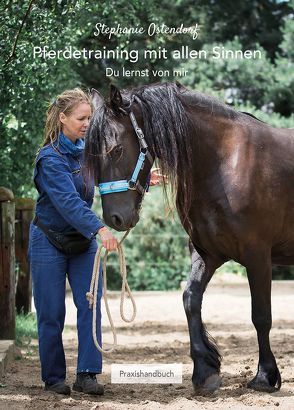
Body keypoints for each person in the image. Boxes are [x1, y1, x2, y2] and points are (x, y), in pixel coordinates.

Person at [28, 88, 118, 396]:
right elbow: (67, 202)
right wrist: (100, 229)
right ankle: (54, 378)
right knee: (51, 313)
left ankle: (87, 374)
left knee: (90, 306)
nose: (86, 123)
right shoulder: (49, 159)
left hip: (82, 242)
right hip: (48, 240)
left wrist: (142, 181)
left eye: (89, 117)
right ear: (63, 118)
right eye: (81, 118)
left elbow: (106, 178)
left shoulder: (88, 152)